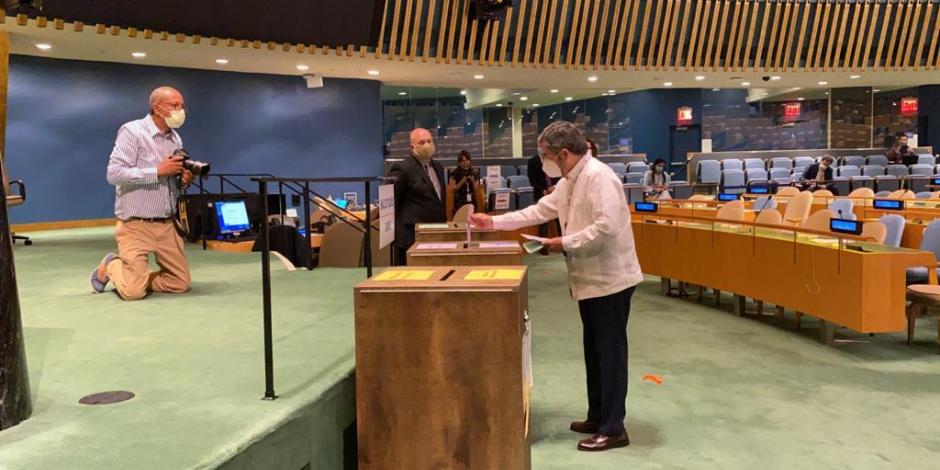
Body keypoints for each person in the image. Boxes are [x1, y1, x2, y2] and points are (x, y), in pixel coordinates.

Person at [470, 121, 643, 452]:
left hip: (611, 280)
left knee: (610, 353)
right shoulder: (570, 180)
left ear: (564, 153)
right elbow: (539, 210)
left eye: (546, 155)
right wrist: (493, 221)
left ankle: (613, 427)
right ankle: (598, 415)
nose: (543, 161)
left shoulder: (599, 177)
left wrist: (562, 242)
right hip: (589, 280)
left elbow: (606, 228)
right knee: (594, 352)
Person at [90, 86, 193, 300]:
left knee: (180, 284)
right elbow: (114, 174)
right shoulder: (132, 131)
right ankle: (112, 265)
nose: (180, 110)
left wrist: (182, 180)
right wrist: (156, 171)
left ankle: (136, 275)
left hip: (167, 223)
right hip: (135, 224)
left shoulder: (176, 139)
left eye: (182, 106)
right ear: (157, 107)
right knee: (133, 293)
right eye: (174, 105)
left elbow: (170, 179)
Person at [388, 128, 446, 265]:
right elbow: (393, 201)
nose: (427, 145)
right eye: (422, 142)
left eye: (429, 141)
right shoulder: (402, 168)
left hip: (435, 233)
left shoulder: (438, 166)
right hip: (411, 236)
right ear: (412, 146)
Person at [448, 150, 481, 217]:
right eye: (463, 161)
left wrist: (473, 181)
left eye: (467, 160)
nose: (466, 162)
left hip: (471, 201)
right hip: (459, 202)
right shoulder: (455, 173)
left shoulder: (474, 173)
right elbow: (453, 189)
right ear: (459, 163)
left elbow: (476, 190)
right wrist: (462, 182)